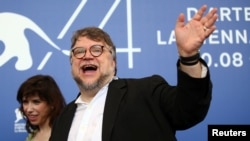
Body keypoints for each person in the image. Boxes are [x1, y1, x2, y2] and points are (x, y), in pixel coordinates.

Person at [49, 5, 218, 141]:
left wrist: (189, 57)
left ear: (113, 62)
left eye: (97, 50)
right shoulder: (63, 117)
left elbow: (189, 110)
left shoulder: (147, 92)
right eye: (78, 51)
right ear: (72, 63)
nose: (86, 56)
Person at [16, 74, 66, 141]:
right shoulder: (32, 135)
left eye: (36, 102)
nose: (29, 109)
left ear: (52, 103)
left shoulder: (65, 135)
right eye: (25, 102)